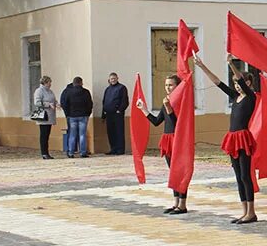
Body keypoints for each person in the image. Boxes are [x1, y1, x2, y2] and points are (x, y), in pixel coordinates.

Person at [195, 54, 258, 224]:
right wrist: (202, 66)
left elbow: (240, 78)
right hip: (232, 138)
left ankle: (252, 212)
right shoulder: (235, 97)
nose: (237, 86)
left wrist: (230, 63)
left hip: (243, 137)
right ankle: (244, 211)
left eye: (240, 84)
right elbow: (217, 83)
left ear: (249, 84)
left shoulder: (251, 97)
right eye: (236, 84)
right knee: (238, 176)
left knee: (245, 176)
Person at [136, 74, 186, 214]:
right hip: (167, 140)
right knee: (173, 172)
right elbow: (157, 122)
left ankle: (182, 204)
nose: (168, 88)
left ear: (177, 86)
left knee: (180, 172)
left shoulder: (180, 102)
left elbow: (178, 123)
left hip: (178, 139)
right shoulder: (167, 101)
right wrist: (143, 109)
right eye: (166, 85)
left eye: (171, 85)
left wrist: (169, 107)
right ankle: (175, 203)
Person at [61, 77, 93, 158]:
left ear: (73, 83)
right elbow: (90, 104)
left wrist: (67, 114)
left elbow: (64, 103)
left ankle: (71, 152)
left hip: (72, 116)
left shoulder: (69, 92)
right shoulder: (86, 92)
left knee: (72, 134)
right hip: (83, 116)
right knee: (82, 134)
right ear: (81, 83)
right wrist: (88, 113)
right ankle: (83, 152)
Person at [102, 72, 129, 154]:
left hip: (117, 114)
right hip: (109, 114)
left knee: (119, 132)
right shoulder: (107, 89)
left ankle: (120, 150)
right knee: (111, 132)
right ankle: (113, 149)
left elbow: (125, 101)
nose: (113, 80)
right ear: (109, 80)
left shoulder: (122, 88)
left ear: (117, 78)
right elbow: (104, 102)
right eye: (111, 79)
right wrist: (103, 115)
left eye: (114, 78)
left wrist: (120, 110)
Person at [33, 76, 58, 159]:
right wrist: (48, 104)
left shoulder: (50, 91)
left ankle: (46, 153)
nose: (50, 84)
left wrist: (56, 104)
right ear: (44, 83)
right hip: (44, 116)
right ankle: (44, 153)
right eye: (49, 82)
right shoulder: (39, 91)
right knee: (44, 135)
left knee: (47, 135)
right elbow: (37, 102)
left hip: (50, 116)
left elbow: (53, 100)